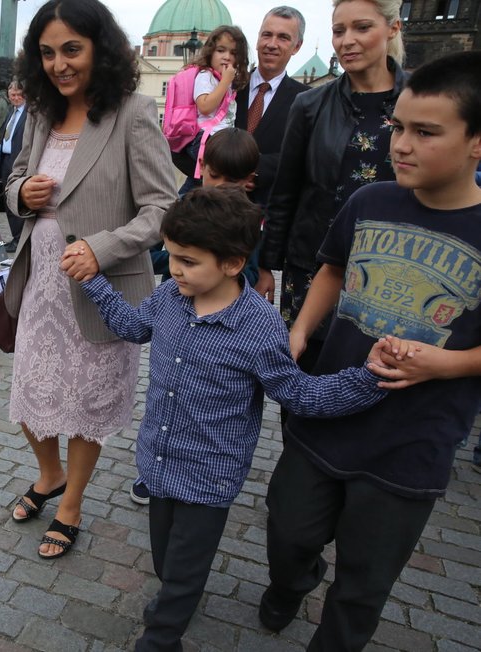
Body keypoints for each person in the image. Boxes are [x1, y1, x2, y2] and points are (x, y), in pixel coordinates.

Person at [76, 185, 394, 652]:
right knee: (167, 563)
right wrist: (94, 281)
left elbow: (300, 394)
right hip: (158, 462)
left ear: (231, 262)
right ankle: (173, 601)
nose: (174, 269)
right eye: (171, 256)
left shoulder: (259, 327)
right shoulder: (168, 298)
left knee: (184, 575)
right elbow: (132, 327)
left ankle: (162, 638)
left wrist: (367, 379)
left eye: (187, 260)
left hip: (209, 475)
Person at [259, 49, 481, 650]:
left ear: (477, 142)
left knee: (364, 581)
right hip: (329, 410)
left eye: (426, 132)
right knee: (288, 529)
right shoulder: (370, 200)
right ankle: (292, 581)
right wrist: (301, 327)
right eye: (398, 128)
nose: (403, 144)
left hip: (414, 437)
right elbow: (331, 267)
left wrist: (450, 363)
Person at [4, 0, 177, 559]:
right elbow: (13, 180)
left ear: (99, 48)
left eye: (71, 50)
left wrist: (101, 249)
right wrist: (20, 190)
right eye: (47, 53)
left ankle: (72, 502)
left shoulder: (134, 111)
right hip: (40, 279)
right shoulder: (39, 112)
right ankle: (48, 474)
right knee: (32, 388)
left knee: (85, 400)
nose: (59, 64)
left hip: (103, 287)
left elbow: (162, 210)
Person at [256, 0, 407, 372]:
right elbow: (286, 193)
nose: (347, 41)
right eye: (339, 31)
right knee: (305, 377)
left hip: (392, 274)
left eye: (362, 28)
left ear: (393, 29)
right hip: (311, 264)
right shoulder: (310, 104)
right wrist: (265, 266)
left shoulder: (422, 100)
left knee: (377, 377)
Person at [135, 127, 260, 505]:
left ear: (249, 182)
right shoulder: (184, 205)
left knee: (204, 403)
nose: (220, 185)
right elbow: (162, 254)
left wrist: (225, 279)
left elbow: (250, 271)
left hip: (222, 326)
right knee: (168, 394)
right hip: (181, 312)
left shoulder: (248, 219)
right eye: (214, 175)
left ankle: (202, 474)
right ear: (201, 167)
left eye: (231, 180)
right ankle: (154, 471)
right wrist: (184, 266)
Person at [234, 6, 308, 216]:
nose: (272, 44)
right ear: (257, 39)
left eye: (283, 37)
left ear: (297, 46)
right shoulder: (227, 87)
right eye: (267, 35)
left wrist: (253, 172)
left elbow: (304, 158)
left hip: (268, 220)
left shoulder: (308, 100)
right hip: (214, 213)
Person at [178, 25, 250, 196]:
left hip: (218, 139)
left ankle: (184, 202)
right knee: (209, 178)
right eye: (221, 50)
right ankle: (181, 203)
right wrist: (225, 82)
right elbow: (205, 106)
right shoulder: (206, 76)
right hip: (205, 139)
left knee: (201, 181)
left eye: (233, 53)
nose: (226, 57)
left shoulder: (225, 80)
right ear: (210, 53)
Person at [0, 81, 28, 252]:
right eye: (12, 95)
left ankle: (20, 238)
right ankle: (15, 237)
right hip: (6, 160)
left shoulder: (30, 114)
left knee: (18, 200)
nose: (15, 98)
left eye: (18, 95)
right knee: (7, 200)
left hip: (20, 162)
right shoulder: (11, 112)